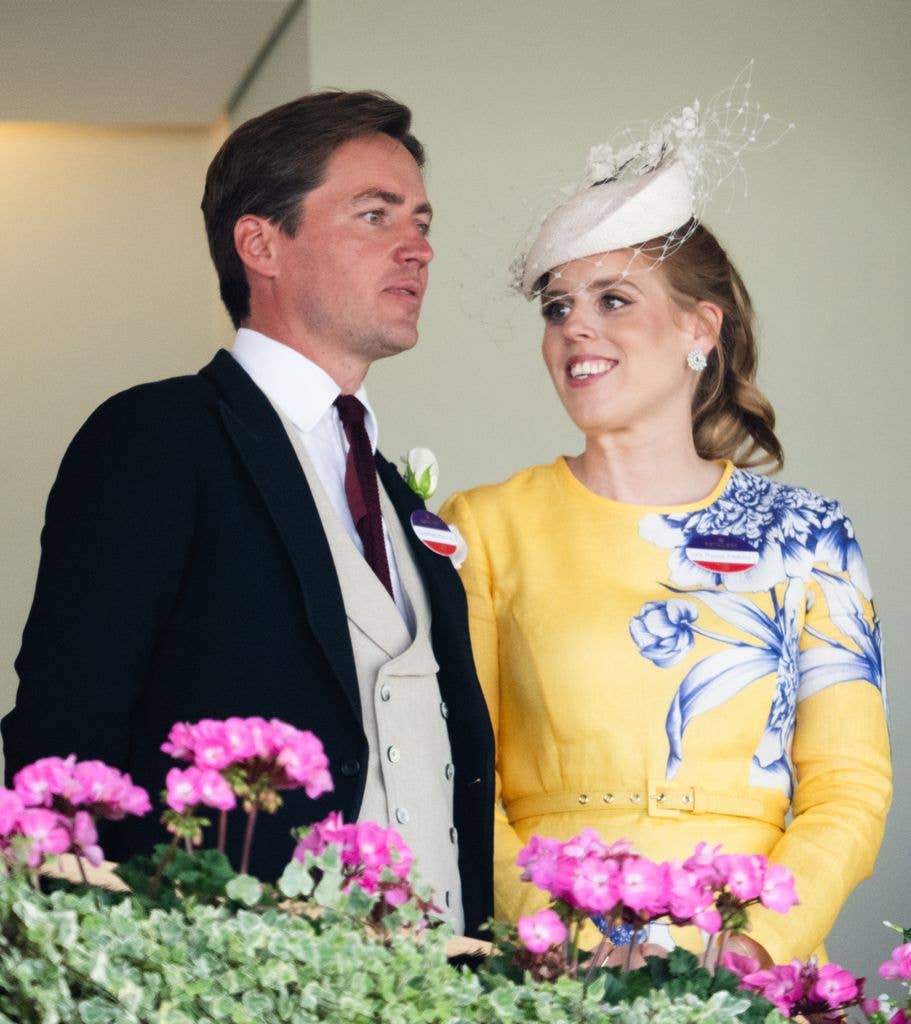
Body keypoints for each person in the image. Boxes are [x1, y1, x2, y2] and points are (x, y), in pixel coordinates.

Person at [2, 90, 494, 936]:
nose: (417, 248)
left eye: (420, 221)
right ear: (260, 243)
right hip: (224, 971)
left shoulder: (399, 499)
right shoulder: (157, 437)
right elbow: (64, 732)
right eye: (375, 216)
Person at [440, 91, 890, 961]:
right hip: (548, 962)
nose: (575, 328)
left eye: (612, 300)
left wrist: (752, 944)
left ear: (699, 328)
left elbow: (849, 785)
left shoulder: (808, 535)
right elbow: (465, 776)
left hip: (745, 961)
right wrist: (563, 934)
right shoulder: (483, 526)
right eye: (556, 305)